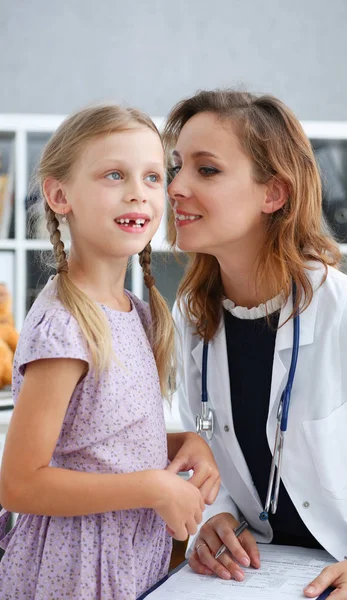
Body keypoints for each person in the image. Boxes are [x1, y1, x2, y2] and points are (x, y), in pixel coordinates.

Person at [163, 90, 347, 600]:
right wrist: (217, 511)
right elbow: (205, 447)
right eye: (177, 166)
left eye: (206, 170)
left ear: (274, 193)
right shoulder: (193, 320)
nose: (175, 187)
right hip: (261, 576)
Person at [0, 104, 220, 600]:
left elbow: (96, 446)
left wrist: (182, 443)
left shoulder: (136, 313)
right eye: (114, 174)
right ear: (60, 195)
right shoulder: (65, 325)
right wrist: (154, 487)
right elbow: (20, 484)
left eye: (152, 176)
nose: (138, 192)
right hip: (73, 574)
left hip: (127, 564)